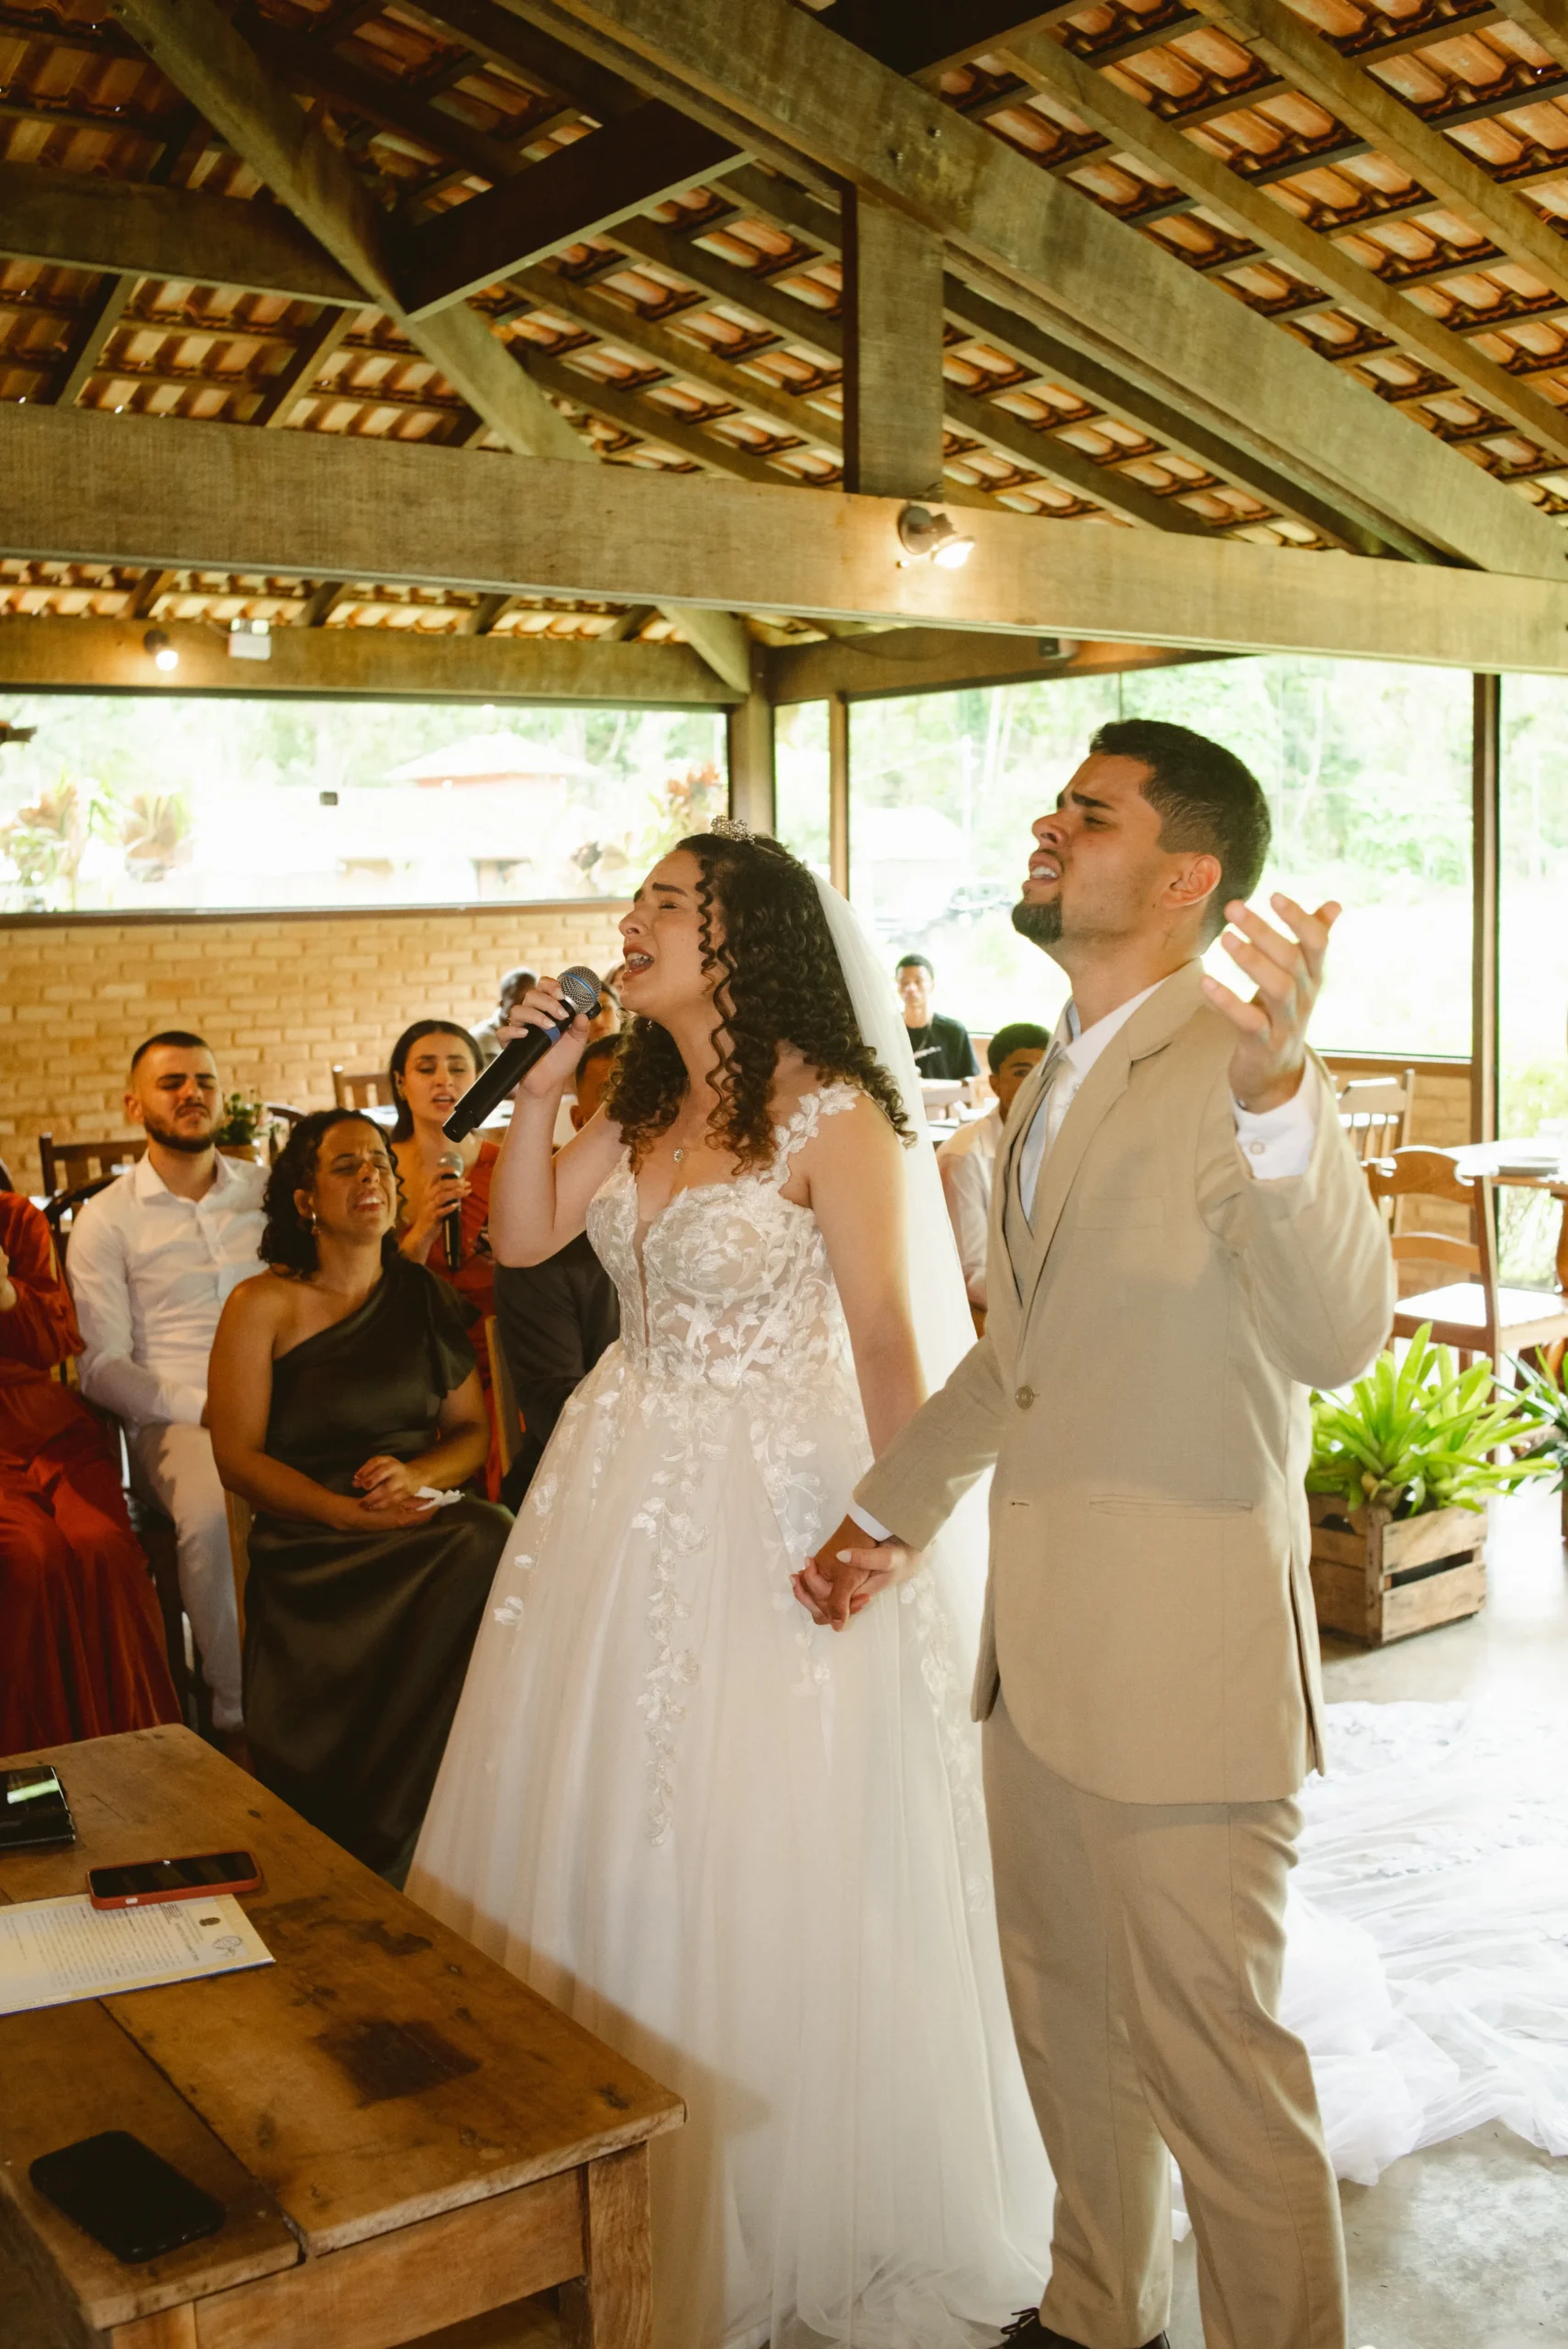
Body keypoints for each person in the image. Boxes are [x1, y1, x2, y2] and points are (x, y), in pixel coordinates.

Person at [408, 826, 1053, 2349]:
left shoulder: (836, 1116)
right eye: (633, 898)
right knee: (600, 1799)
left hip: (776, 1486)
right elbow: (523, 1237)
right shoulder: (637, 1094)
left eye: (667, 903)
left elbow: (891, 1339)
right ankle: (584, 2162)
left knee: (756, 1811)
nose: (631, 921)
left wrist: (893, 1527)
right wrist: (542, 1080)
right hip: (616, 1483)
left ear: (745, 940)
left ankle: (776, 2180)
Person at [804, 718, 1395, 2349]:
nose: (1049, 828)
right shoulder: (1054, 1068)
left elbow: (1339, 1334)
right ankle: (1092, 2317)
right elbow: (1026, 1354)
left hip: (1185, 1661)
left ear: (1187, 876)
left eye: (1092, 812)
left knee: (1218, 2066)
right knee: (1066, 2027)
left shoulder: (1237, 1062)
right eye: (1055, 803)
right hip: (1039, 1657)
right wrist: (890, 1510)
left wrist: (1283, 1101)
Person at [207, 1110, 511, 1883]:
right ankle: (359, 1831)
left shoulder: (424, 1297)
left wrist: (417, 1476)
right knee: (479, 1538)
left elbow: (470, 1433)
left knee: (490, 1535)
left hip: (412, 1525)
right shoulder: (260, 1305)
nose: (370, 1175)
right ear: (304, 1198)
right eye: (346, 1165)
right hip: (312, 1546)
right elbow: (235, 1456)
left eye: (379, 1162)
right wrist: (338, 1511)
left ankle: (450, 1827)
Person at [66, 1030, 265, 1742]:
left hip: (284, 1402)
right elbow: (100, 1366)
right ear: (135, 1105)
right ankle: (239, 1717)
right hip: (177, 1423)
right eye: (171, 1083)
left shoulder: (265, 1192)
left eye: (204, 1081)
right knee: (211, 1514)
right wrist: (206, 1409)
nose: (191, 1094)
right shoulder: (107, 1219)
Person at [0, 1189, 180, 1750]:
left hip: (47, 1425)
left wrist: (6, 1294)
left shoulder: (16, 1219)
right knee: (28, 1557)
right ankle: (36, 1760)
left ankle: (143, 1750)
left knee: (102, 1545)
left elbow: (55, 1343)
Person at [492, 1033, 621, 1511]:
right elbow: (555, 1406)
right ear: (583, 1122)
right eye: (611, 1103)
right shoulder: (544, 1251)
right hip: (581, 1477)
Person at [389, 1019, 503, 1496]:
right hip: (406, 1360)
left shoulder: (507, 1164)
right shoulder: (376, 1170)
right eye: (426, 1068)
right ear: (401, 1082)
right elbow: (363, 1290)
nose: (444, 1081)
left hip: (497, 1357)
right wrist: (421, 1232)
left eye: (458, 1068)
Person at [938, 1022, 1050, 1318]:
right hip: (988, 1314)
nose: (1035, 1084)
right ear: (995, 1083)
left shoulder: (1064, 1140)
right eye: (1021, 1073)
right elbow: (971, 1273)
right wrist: (1045, 1310)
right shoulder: (964, 1157)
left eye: (1045, 1073)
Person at [895, 951, 979, 1083]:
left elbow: (968, 1082)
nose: (911, 988)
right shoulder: (888, 1030)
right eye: (904, 982)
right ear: (897, 987)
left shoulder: (954, 1031)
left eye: (918, 981)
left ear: (932, 985)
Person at [472, 966, 538, 1067]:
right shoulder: (481, 1039)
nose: (524, 1007)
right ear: (502, 1003)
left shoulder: (539, 1033)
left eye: (530, 1000)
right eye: (518, 1000)